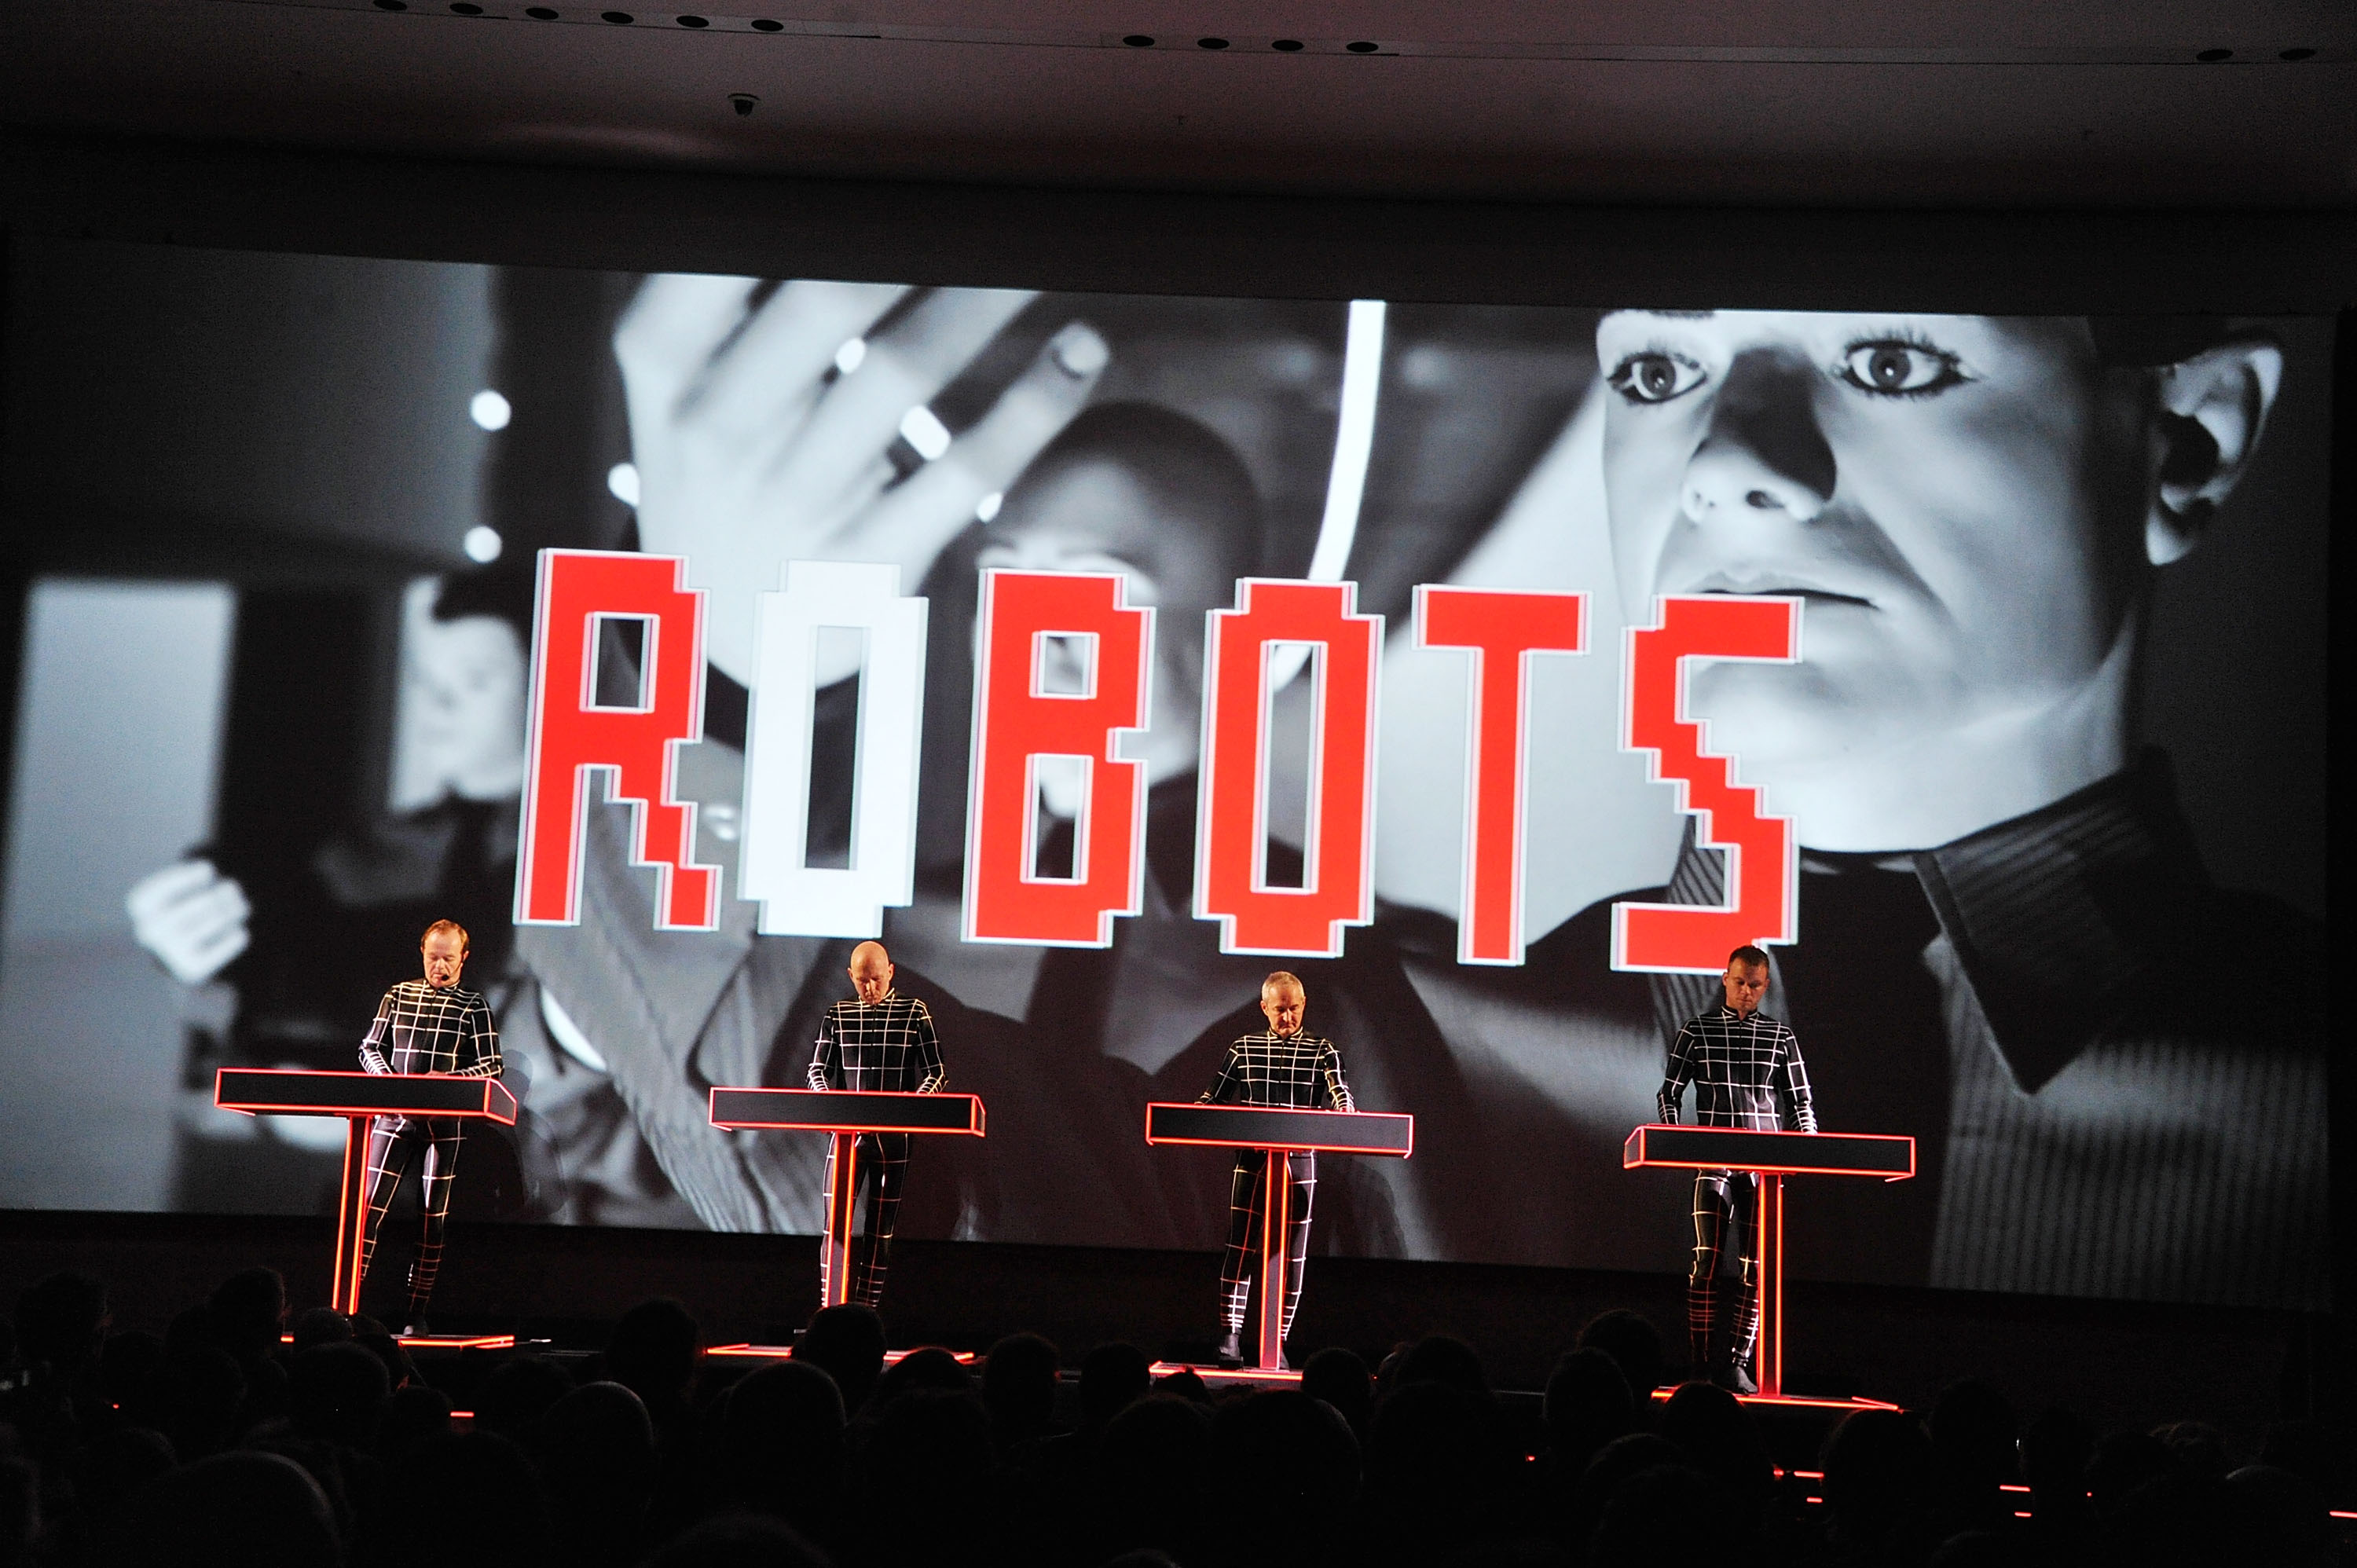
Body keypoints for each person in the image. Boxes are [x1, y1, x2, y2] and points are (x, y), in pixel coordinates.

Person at [1401, 309, 2322, 1307]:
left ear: (2191, 438)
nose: (1729, 464)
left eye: (1892, 363)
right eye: (1657, 373)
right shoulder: (1384, 1067)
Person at [1656, 944, 1814, 1393]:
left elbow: (1801, 1102)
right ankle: (1701, 1361)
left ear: (1766, 987)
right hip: (1713, 1158)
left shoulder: (1780, 1037)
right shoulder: (1697, 1031)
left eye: (1755, 985)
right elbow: (1669, 1093)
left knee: (1756, 1266)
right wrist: (1676, 1139)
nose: (1746, 991)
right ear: (1725, 979)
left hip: (1763, 1165)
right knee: (1706, 1259)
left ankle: (1736, 1362)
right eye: (1740, 982)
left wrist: (1807, 1147)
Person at [1198, 972, 1354, 1367]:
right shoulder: (1243, 1048)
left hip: (1299, 1160)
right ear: (1265, 1008)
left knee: (1292, 1255)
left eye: (1294, 1008)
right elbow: (1212, 1098)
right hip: (1252, 1160)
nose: (1288, 1017)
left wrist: (1345, 1111)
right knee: (1240, 1245)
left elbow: (1340, 1093)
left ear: (1304, 1005)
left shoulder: (1323, 1050)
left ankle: (1277, 1340)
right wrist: (1193, 1116)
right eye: (1280, 1009)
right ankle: (1231, 1337)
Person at [356, 918, 503, 1332]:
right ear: (422, 953)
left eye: (449, 959)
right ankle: (349, 1303)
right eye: (433, 957)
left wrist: (449, 1082)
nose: (440, 966)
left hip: (444, 1124)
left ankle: (416, 1312)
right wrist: (388, 1082)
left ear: (464, 959)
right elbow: (369, 1047)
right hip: (393, 1117)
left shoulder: (473, 1005)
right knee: (367, 1211)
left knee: (431, 1219)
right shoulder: (398, 994)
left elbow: (492, 1064)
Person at [805, 941, 945, 1310]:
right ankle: (831, 1310)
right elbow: (817, 1071)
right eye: (862, 981)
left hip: (894, 1137)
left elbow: (936, 1072)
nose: (870, 988)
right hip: (847, 1136)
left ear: (891, 973)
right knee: (835, 1227)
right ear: (850, 976)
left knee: (880, 1232)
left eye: (877, 980)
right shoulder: (838, 1014)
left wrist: (912, 1108)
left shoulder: (914, 1012)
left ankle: (866, 1312)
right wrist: (828, 1107)